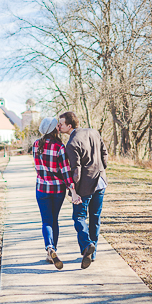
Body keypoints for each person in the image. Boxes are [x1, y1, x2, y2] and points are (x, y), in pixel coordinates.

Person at [57, 111, 108, 269]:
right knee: (95, 218)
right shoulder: (94, 132)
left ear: (69, 126)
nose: (59, 126)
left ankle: (87, 245)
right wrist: (102, 169)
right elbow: (104, 153)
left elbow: (76, 170)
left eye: (61, 124)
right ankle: (92, 253)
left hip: (85, 186)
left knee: (79, 217)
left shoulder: (72, 144)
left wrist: (74, 191)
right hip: (100, 181)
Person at [33, 117, 81, 270]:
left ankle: (49, 248)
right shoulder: (59, 147)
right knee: (54, 220)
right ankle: (53, 251)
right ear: (54, 129)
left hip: (42, 188)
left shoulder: (36, 145)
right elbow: (66, 171)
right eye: (57, 126)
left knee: (46, 221)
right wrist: (72, 189)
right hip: (58, 190)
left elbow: (38, 166)